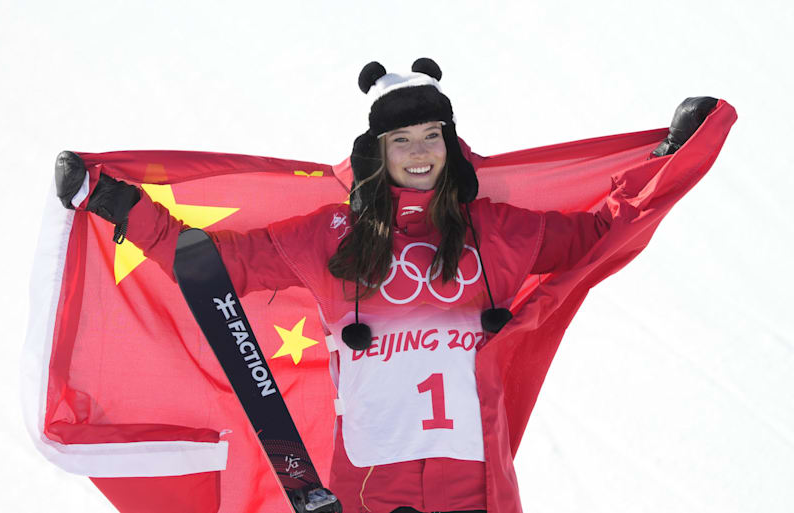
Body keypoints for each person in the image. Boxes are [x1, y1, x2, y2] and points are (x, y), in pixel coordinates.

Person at [55, 58, 718, 513]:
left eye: (432, 134)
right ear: (379, 150)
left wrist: (666, 161)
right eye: (403, 138)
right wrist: (116, 202)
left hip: (477, 484)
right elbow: (212, 266)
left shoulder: (494, 231)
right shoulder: (329, 237)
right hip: (369, 483)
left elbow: (599, 232)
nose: (422, 150)